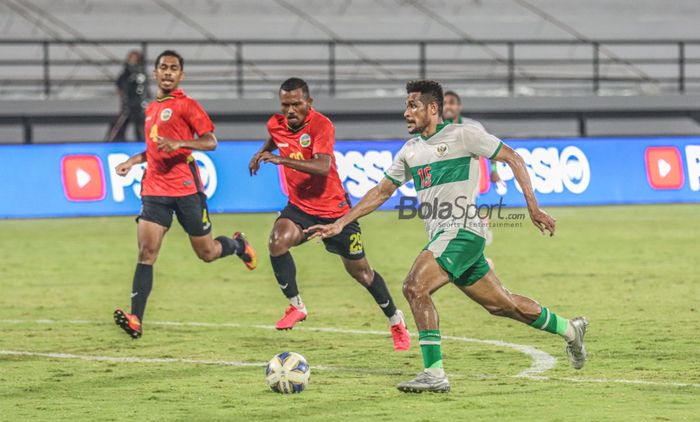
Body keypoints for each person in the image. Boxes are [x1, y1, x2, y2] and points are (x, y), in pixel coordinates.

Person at [306, 80, 588, 393]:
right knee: (503, 306)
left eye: (413, 105)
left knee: (415, 286)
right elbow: (381, 192)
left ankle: (434, 373)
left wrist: (533, 208)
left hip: (463, 231)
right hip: (447, 236)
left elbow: (513, 158)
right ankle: (570, 329)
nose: (406, 113)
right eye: (406, 105)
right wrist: (341, 223)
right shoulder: (410, 151)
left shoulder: (463, 135)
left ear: (433, 109)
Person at [248, 77, 410, 351]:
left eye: (296, 104)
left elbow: (323, 167)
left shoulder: (322, 125)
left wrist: (281, 159)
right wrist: (261, 152)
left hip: (335, 212)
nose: (290, 110)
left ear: (308, 103)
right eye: (285, 104)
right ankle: (296, 305)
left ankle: (396, 320)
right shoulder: (275, 123)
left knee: (362, 274)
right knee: (277, 242)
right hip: (299, 207)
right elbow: (278, 137)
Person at [113, 50, 257, 339]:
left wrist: (178, 143)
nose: (167, 72)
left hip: (186, 190)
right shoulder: (151, 109)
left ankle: (238, 246)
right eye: (163, 67)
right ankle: (136, 319)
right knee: (146, 253)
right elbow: (154, 150)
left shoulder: (188, 106)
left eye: (173, 68)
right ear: (155, 73)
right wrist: (133, 161)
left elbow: (211, 142)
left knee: (207, 253)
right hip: (154, 190)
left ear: (181, 75)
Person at [443, 90, 501, 184]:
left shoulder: (473, 126)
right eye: (444, 103)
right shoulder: (434, 129)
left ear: (459, 107)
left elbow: (492, 147)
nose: (448, 106)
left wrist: (494, 170)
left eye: (452, 103)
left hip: (468, 183)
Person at [108, 50, 150, 142]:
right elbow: (120, 85)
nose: (132, 61)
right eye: (131, 58)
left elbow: (143, 91)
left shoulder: (140, 74)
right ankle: (115, 143)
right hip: (127, 105)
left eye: (135, 59)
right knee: (119, 126)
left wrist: (143, 104)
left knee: (140, 128)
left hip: (138, 106)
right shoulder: (125, 74)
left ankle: (142, 143)